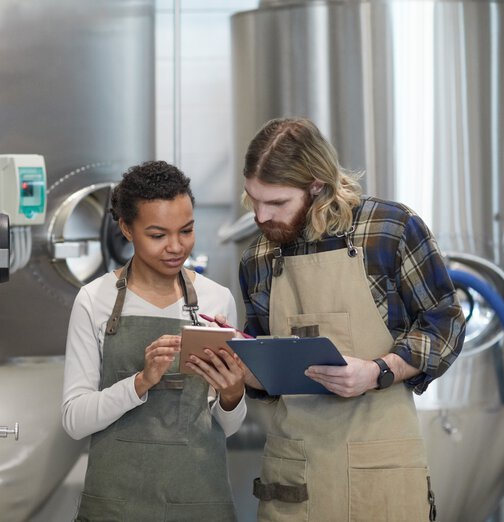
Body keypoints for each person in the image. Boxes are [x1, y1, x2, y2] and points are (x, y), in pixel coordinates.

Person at [238, 117, 466, 521]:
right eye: (253, 199)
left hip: (379, 471)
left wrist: (379, 371)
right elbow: (266, 374)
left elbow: (445, 323)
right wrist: (243, 369)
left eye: (276, 203)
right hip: (294, 474)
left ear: (317, 185)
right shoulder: (258, 258)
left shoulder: (390, 230)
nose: (260, 216)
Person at [62, 160, 246, 521]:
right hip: (114, 506)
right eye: (158, 235)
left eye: (187, 230)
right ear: (127, 229)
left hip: (200, 503)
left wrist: (232, 394)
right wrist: (140, 382)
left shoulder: (216, 300)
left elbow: (228, 428)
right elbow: (74, 420)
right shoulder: (94, 300)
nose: (176, 247)